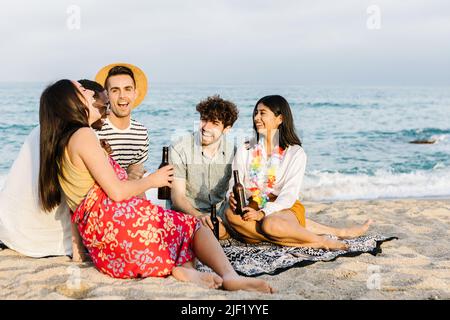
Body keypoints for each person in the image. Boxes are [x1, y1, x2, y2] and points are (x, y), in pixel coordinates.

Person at [38, 79, 274, 293]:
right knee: (191, 226)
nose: (89, 92)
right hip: (121, 228)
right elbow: (117, 192)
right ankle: (229, 276)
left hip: (106, 250)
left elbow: (76, 207)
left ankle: (183, 270)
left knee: (174, 229)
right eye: (82, 90)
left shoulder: (61, 144)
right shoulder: (83, 135)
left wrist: (79, 251)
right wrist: (154, 180)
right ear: (70, 102)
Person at [225, 95, 373, 250]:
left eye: (262, 113)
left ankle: (322, 242)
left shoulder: (295, 153)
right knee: (230, 215)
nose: (256, 117)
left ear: (280, 118)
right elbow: (234, 182)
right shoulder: (246, 148)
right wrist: (232, 195)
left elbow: (288, 196)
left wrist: (263, 214)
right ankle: (308, 239)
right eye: (255, 113)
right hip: (251, 204)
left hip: (283, 206)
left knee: (270, 224)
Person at [0, 80, 109, 258]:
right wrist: (78, 252)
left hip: (11, 230)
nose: (93, 96)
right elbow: (77, 198)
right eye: (84, 91)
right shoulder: (78, 136)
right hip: (51, 241)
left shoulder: (43, 130)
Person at [169, 95, 238, 239]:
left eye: (215, 123)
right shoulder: (179, 148)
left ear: (226, 129)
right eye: (203, 120)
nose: (206, 127)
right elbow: (177, 198)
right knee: (210, 231)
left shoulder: (234, 152)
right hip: (190, 213)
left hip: (220, 214)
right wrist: (199, 216)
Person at [95, 63, 149, 185]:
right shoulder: (95, 129)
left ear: (135, 93)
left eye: (127, 89)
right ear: (106, 95)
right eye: (115, 90)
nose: (122, 96)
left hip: (125, 193)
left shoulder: (141, 132)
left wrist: (134, 172)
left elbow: (135, 166)